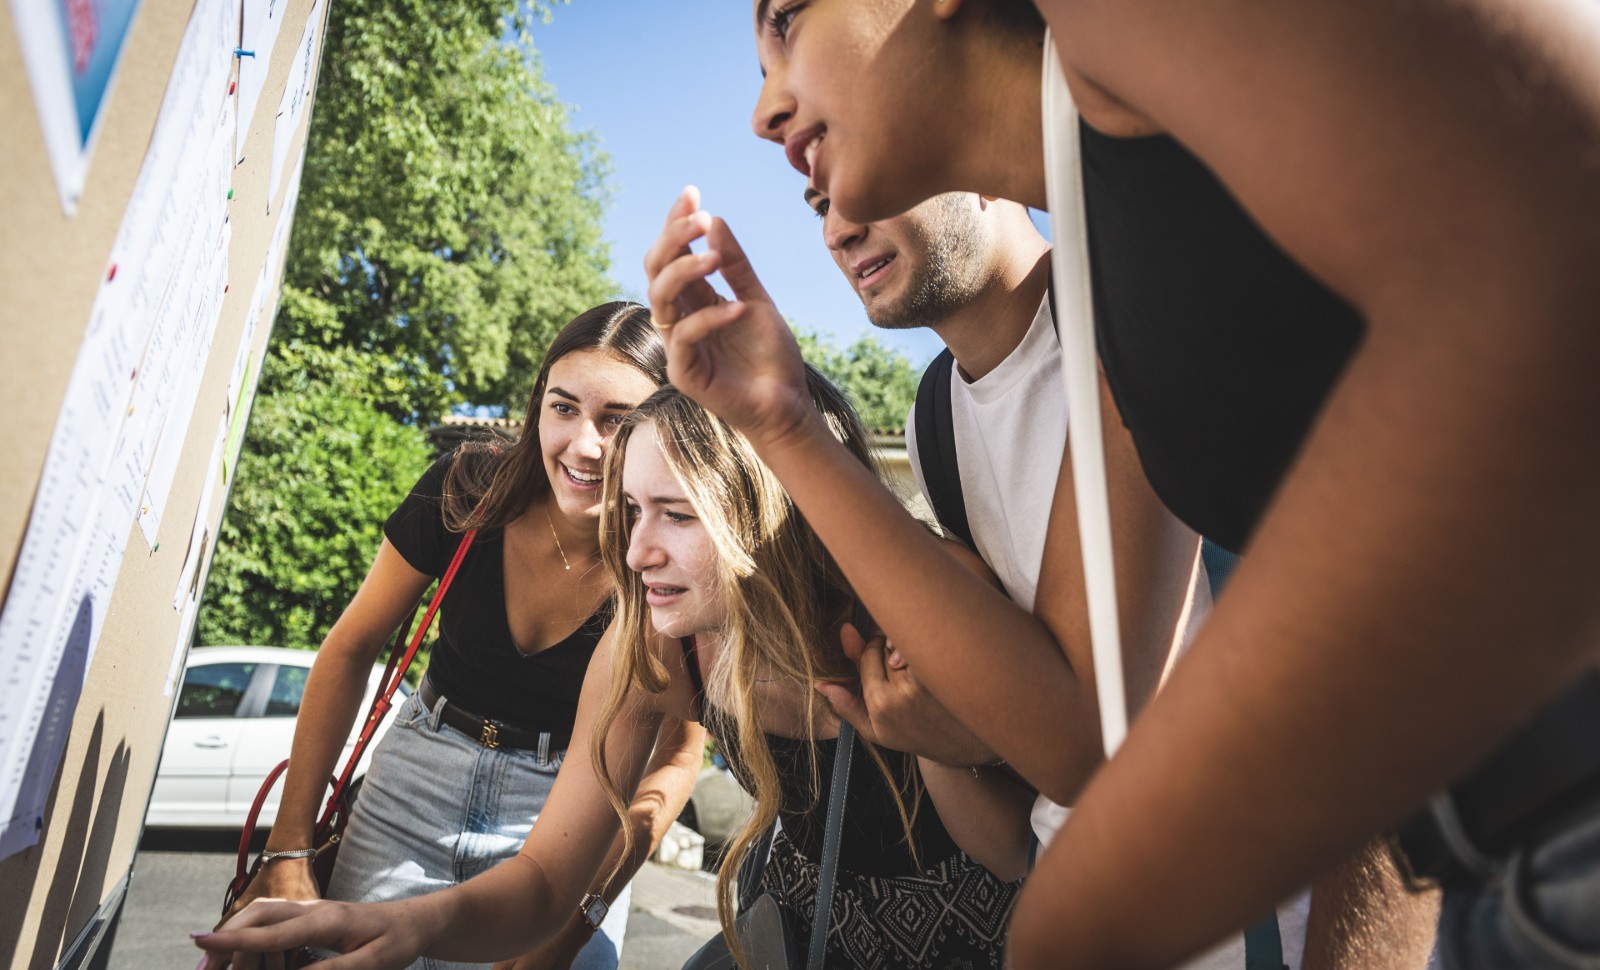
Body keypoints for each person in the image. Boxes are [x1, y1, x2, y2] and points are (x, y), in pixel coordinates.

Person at [648, 0, 1600, 967]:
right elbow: (1077, 741)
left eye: (787, 19)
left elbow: (1377, 634)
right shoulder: (1063, 298)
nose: (766, 109)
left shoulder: (1124, 78)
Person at [196, 375, 1034, 970]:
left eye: (676, 515)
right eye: (632, 511)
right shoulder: (664, 648)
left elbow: (1013, 854)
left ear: (767, 510)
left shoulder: (921, 603)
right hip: (800, 930)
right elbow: (545, 881)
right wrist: (411, 926)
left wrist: (937, 744)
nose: (636, 553)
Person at [804, 185, 1331, 968]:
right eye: (817, 203)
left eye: (865, 184)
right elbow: (1040, 794)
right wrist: (949, 736)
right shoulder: (936, 419)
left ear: (979, 176)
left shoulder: (1161, 309)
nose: (839, 229)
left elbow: (1380, 674)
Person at [221, 301, 703, 970]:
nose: (584, 445)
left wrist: (584, 910)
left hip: (574, 811)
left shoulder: (678, 555)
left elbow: (676, 757)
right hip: (414, 781)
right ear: (538, 405)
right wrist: (289, 847)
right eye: (563, 408)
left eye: (618, 421)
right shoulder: (466, 488)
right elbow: (351, 647)